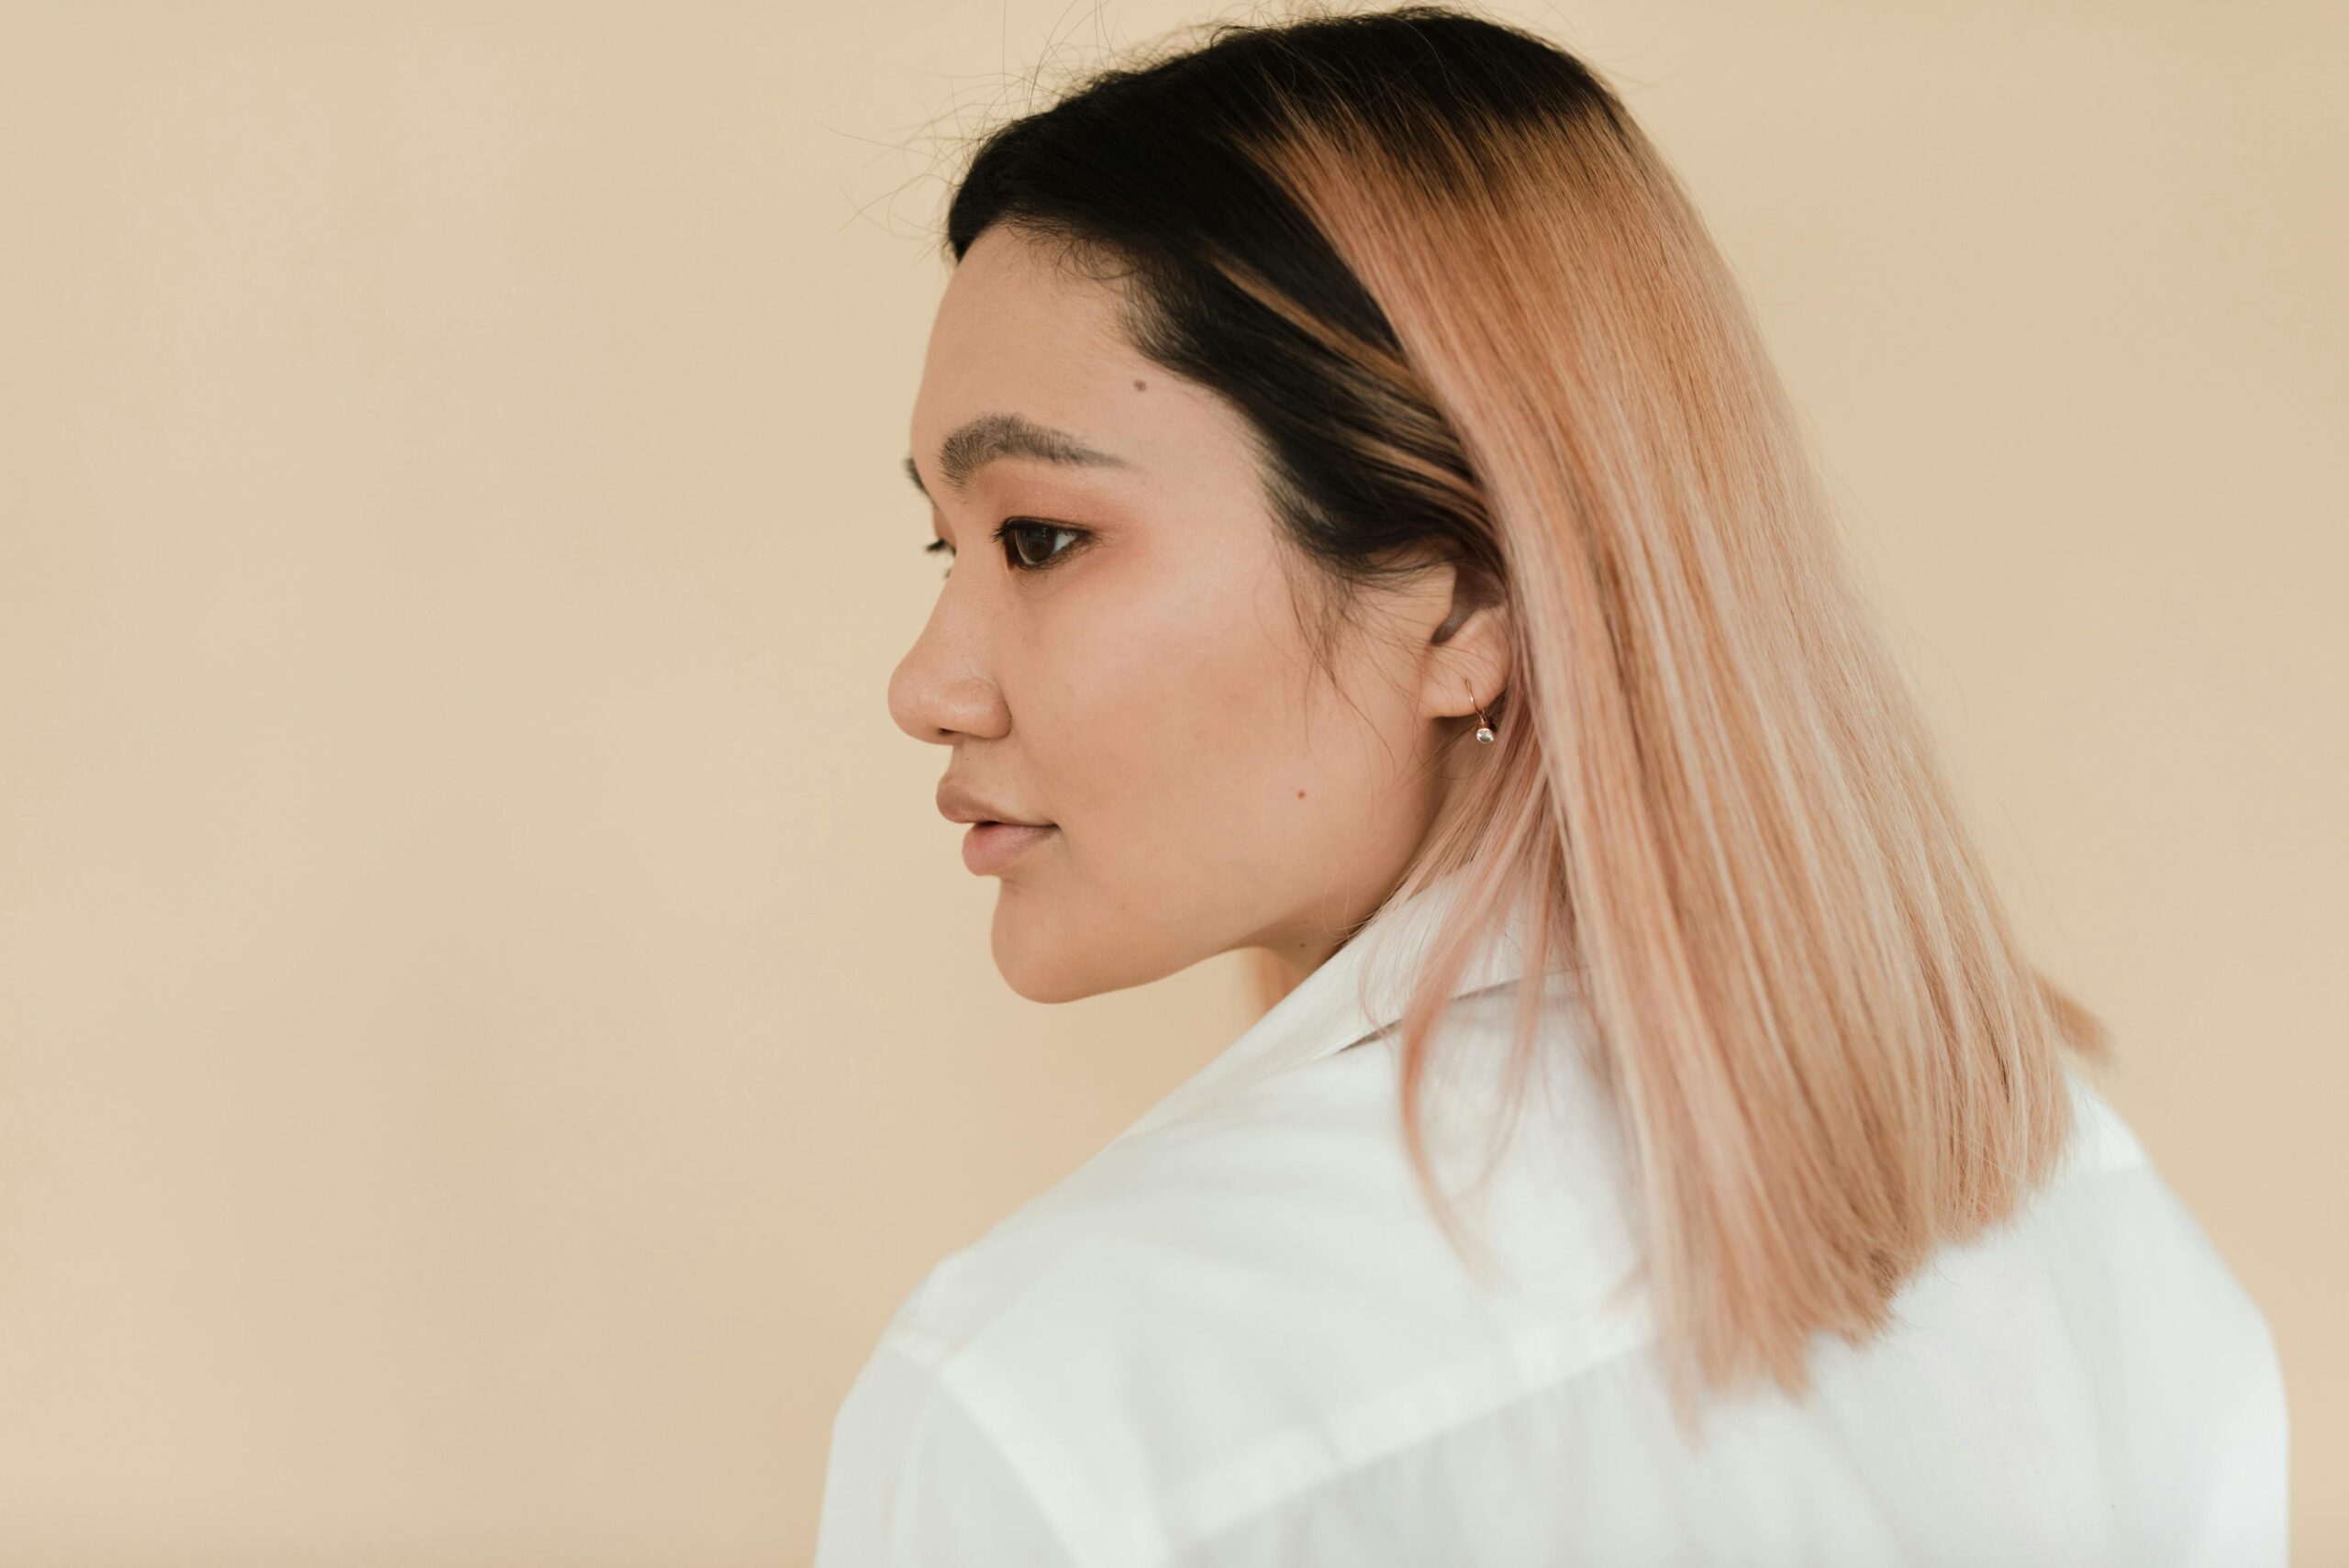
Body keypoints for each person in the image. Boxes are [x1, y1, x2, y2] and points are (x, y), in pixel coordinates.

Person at [817, 7, 2289, 1563]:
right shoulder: (2066, 1201)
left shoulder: (1054, 1402)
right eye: (947, 542)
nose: (927, 686)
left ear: (1460, 600)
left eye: (1039, 538)